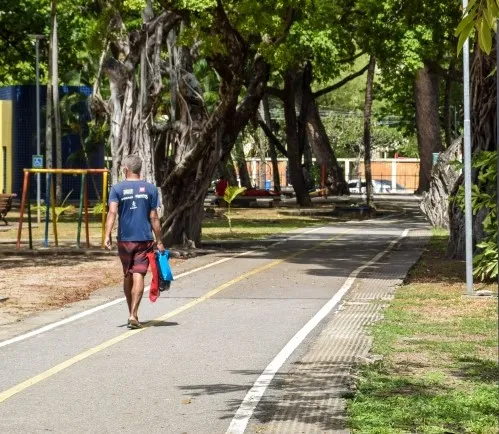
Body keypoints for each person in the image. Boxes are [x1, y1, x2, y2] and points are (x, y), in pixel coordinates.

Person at [104, 154, 165, 329]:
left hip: (124, 239)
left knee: (127, 273)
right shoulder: (151, 189)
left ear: (125, 170)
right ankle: (133, 314)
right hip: (144, 239)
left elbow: (112, 213)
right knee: (139, 273)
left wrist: (107, 235)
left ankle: (130, 312)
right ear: (139, 170)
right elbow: (154, 217)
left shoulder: (117, 189)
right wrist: (158, 239)